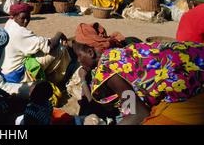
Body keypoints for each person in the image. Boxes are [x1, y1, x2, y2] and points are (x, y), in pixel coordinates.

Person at [73, 22, 204, 125]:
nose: (78, 61)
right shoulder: (113, 54)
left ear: (90, 52)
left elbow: (139, 114)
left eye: (79, 56)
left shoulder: (107, 71)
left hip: (195, 76)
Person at [0, 2, 71, 91]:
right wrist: (59, 34)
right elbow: (50, 46)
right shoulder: (20, 32)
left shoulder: (10, 23)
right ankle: (55, 82)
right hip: (17, 74)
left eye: (28, 18)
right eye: (23, 18)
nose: (26, 21)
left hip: (6, 70)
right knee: (60, 50)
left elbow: (37, 41)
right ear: (15, 16)